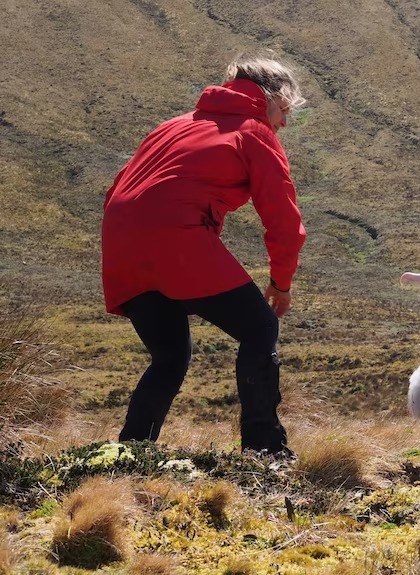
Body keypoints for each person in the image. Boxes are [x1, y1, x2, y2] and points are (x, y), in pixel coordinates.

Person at [101, 51, 307, 457]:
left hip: (120, 243)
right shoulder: (253, 131)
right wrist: (281, 284)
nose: (284, 122)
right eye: (284, 109)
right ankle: (264, 450)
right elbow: (283, 221)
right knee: (260, 328)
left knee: (170, 355)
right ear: (269, 97)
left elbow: (121, 187)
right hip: (176, 238)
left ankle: (131, 455)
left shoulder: (173, 126)